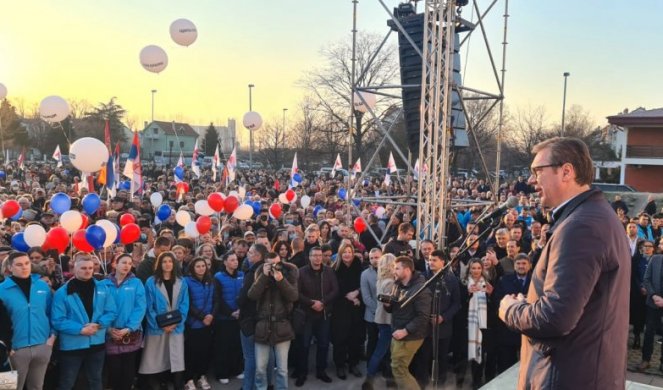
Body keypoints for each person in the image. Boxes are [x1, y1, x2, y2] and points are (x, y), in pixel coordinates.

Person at [499, 137, 631, 389]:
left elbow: (555, 317)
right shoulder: (592, 216)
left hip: (567, 376)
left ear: (566, 171)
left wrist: (511, 310)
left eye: (538, 171)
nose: (531, 181)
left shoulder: (581, 226)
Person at [51, 252, 117, 390]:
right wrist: (80, 329)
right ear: (74, 269)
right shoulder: (62, 292)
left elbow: (111, 311)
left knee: (96, 380)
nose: (87, 271)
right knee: (67, 382)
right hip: (72, 346)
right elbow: (58, 320)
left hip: (96, 342)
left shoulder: (103, 288)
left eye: (90, 268)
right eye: (83, 268)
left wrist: (98, 324)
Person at [0, 251, 55, 390]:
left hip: (42, 345)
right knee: (10, 388)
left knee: (37, 386)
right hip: (14, 349)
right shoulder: (2, 290)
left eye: (26, 263)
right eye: (19, 265)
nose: (24, 267)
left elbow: (51, 313)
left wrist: (51, 339)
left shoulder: (42, 286)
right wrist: (6, 346)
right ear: (10, 268)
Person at [248, 251, 299, 390]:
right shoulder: (259, 273)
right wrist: (264, 277)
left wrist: (281, 280)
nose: (274, 267)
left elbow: (294, 296)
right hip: (262, 326)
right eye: (270, 265)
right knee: (260, 368)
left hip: (282, 325)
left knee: (282, 370)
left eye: (277, 263)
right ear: (265, 263)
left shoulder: (289, 273)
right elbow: (252, 295)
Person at [411, 249, 461, 388]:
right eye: (430, 260)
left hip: (443, 327)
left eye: (434, 260)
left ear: (443, 262)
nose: (431, 262)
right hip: (425, 327)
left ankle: (440, 385)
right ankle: (421, 384)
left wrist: (443, 317)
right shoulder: (422, 278)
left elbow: (457, 303)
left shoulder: (451, 279)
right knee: (423, 357)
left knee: (441, 358)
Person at [139, 252, 189, 389]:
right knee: (155, 359)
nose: (167, 264)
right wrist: (160, 324)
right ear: (159, 264)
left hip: (176, 327)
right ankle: (159, 384)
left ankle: (178, 386)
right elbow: (149, 307)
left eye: (170, 261)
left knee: (176, 359)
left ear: (174, 264)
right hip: (157, 327)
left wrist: (177, 322)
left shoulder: (181, 281)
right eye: (164, 261)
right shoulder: (151, 281)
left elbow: (185, 305)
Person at [383, 256, 431, 390]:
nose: (394, 271)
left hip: (410, 335)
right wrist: (387, 305)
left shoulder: (421, 290)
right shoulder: (398, 284)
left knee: (398, 368)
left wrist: (405, 331)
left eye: (397, 268)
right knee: (397, 367)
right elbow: (394, 308)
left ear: (408, 270)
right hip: (397, 331)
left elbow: (423, 317)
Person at [295, 246, 338, 386]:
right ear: (309, 257)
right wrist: (311, 303)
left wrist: (323, 303)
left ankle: (321, 371)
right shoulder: (301, 272)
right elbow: (296, 292)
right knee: (304, 345)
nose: (318, 258)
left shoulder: (329, 271)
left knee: (324, 344)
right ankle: (302, 373)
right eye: (315, 255)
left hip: (324, 314)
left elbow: (335, 290)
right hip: (307, 315)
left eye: (320, 255)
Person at [104, 253, 146, 390]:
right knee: (114, 371)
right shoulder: (103, 284)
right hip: (111, 333)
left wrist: (129, 328)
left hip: (130, 333)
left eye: (129, 263)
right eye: (123, 262)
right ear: (115, 264)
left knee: (128, 371)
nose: (127, 266)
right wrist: (108, 329)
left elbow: (140, 308)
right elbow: (99, 308)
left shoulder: (137, 283)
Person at [331, 243, 364, 379]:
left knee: (354, 337)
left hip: (356, 307)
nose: (347, 254)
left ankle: (353, 364)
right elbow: (334, 288)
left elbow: (363, 285)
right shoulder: (335, 268)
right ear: (340, 253)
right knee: (340, 338)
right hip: (340, 307)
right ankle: (340, 366)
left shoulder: (359, 266)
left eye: (349, 252)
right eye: (344, 252)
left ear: (353, 253)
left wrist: (357, 294)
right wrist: (349, 297)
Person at [363, 253, 396, 390]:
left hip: (381, 320)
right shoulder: (390, 282)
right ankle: (369, 379)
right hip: (387, 320)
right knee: (381, 350)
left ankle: (385, 379)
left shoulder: (381, 279)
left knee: (385, 351)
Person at [183, 257, 215, 390]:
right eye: (198, 266)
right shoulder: (186, 281)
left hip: (208, 323)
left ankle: (202, 376)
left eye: (203, 266)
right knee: (191, 352)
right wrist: (202, 317)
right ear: (192, 268)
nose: (201, 268)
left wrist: (211, 316)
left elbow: (215, 299)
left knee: (205, 351)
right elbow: (187, 303)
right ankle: (189, 379)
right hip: (193, 323)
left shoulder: (210, 280)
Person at [213, 252, 245, 384]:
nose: (235, 262)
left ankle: (237, 370)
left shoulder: (242, 275)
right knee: (223, 346)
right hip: (224, 318)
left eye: (236, 260)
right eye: (232, 260)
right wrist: (230, 312)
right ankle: (222, 373)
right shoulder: (218, 277)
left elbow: (244, 294)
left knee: (237, 345)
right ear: (225, 262)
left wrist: (240, 310)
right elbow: (218, 298)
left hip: (239, 316)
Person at [639, 253, 663, 372]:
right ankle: (646, 360)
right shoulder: (655, 259)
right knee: (649, 332)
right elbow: (646, 279)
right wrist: (654, 296)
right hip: (653, 302)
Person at [361, 248, 381, 363]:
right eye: (371, 258)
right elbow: (366, 297)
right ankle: (371, 364)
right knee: (372, 340)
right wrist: (378, 310)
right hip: (371, 314)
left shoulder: (390, 272)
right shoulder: (365, 274)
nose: (374, 260)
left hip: (387, 314)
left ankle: (383, 365)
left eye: (376, 257)